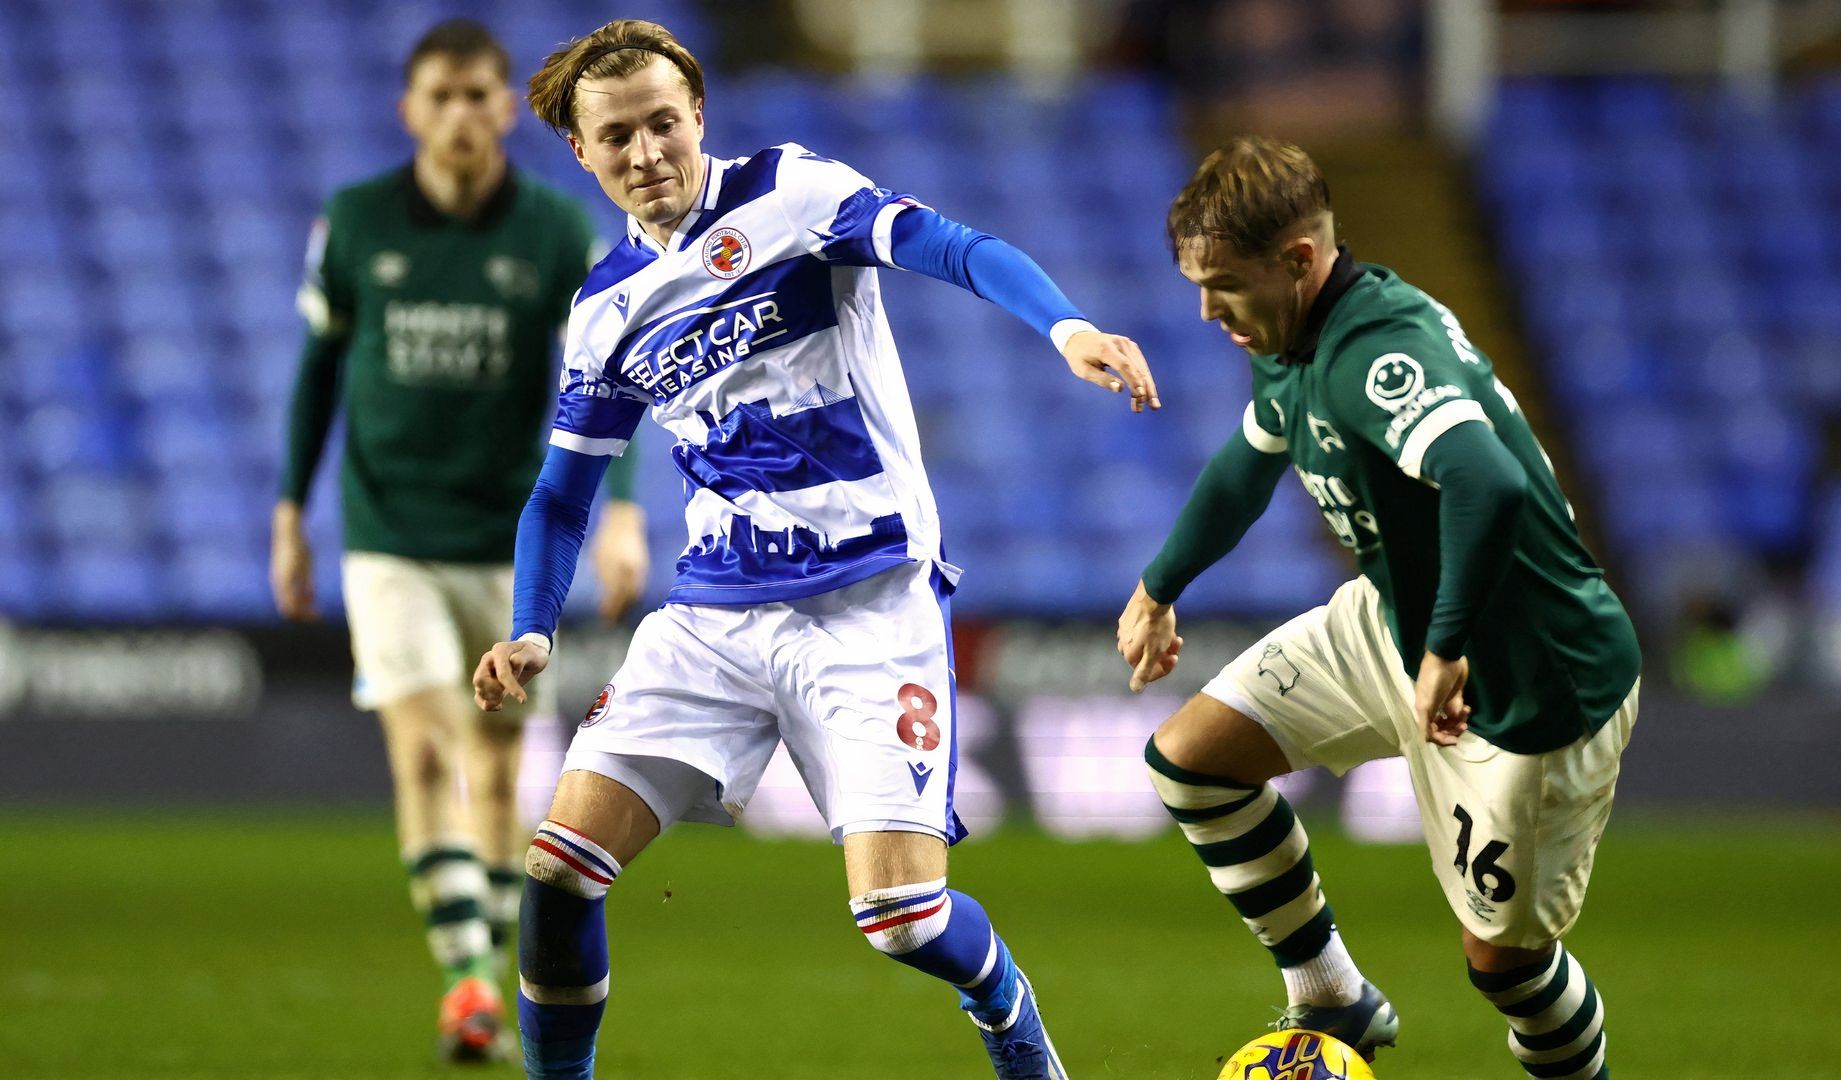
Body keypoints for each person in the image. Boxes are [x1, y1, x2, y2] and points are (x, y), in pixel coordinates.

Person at [471, 19, 1158, 1080]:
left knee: (903, 920)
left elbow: (950, 245)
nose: (648, 153)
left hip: (867, 604)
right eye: (618, 137)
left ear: (700, 113)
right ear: (580, 150)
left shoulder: (791, 194)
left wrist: (1066, 328)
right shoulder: (604, 312)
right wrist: (529, 628)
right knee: (560, 866)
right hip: (714, 617)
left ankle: (1009, 1015)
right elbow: (560, 496)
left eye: (664, 123)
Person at [1117, 137, 1639, 1080]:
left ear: (1300, 261)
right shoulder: (1288, 336)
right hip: (1401, 619)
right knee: (1192, 762)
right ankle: (1330, 994)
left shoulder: (1376, 352)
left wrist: (1442, 648)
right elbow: (1248, 463)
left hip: (1527, 681)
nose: (1206, 309)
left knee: (1506, 966)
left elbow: (1486, 481)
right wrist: (1160, 585)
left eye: (1223, 284)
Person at [271, 19, 646, 1064]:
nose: (462, 114)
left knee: (496, 755)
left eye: (482, 95)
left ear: (504, 109)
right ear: (411, 110)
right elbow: (317, 374)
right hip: (389, 528)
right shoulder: (353, 223)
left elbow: (612, 380)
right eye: (442, 96)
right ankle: (470, 980)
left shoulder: (557, 232)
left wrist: (618, 509)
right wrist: (290, 512)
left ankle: (478, 952)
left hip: (508, 537)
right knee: (428, 745)